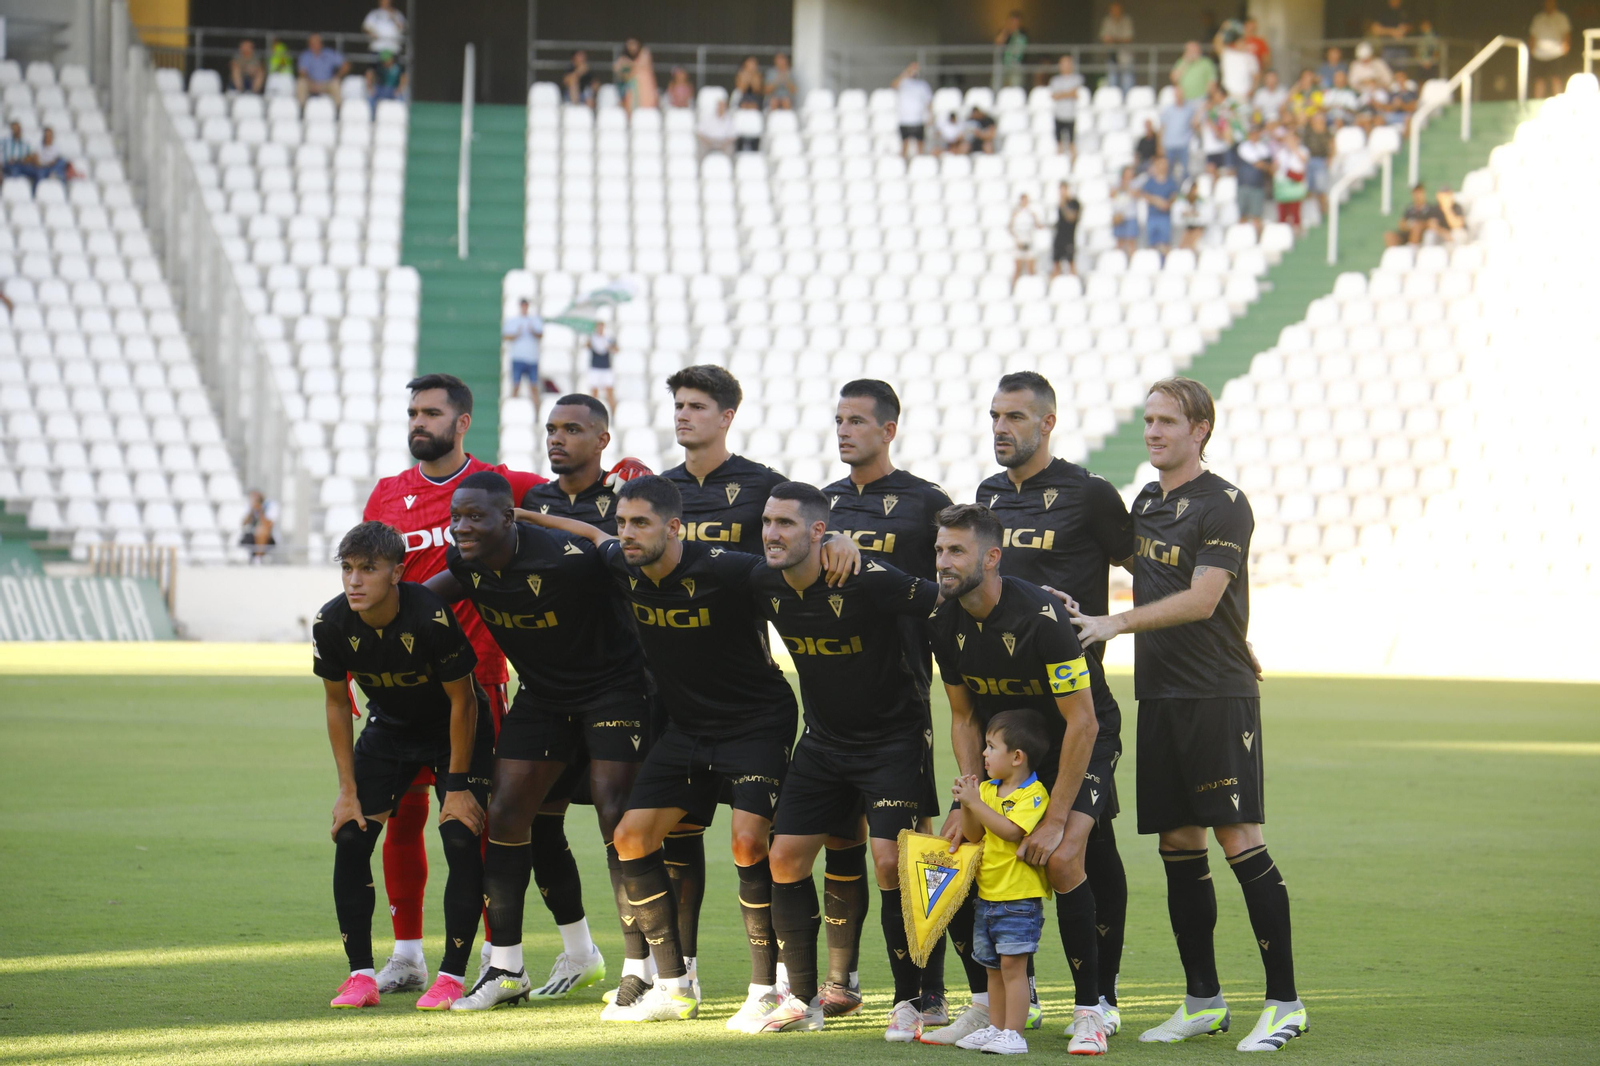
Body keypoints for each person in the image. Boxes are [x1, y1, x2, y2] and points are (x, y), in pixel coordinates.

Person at [516, 476, 854, 1026]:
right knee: (630, 837)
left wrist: (836, 539)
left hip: (756, 722)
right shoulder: (622, 562)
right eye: (622, 523)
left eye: (640, 523)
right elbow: (585, 531)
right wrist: (530, 519)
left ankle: (768, 989)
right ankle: (675, 986)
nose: (627, 534)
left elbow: (794, 563)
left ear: (674, 527)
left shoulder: (726, 568)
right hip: (689, 728)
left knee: (749, 845)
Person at [1063, 377, 1306, 1052]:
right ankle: (1203, 999)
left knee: (1238, 839)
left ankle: (1285, 1003)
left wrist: (1116, 622)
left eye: (1167, 420)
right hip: (1161, 696)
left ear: (1200, 428)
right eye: (1147, 420)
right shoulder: (1145, 500)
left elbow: (1202, 599)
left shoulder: (1224, 503)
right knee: (1178, 844)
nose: (1153, 432)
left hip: (1216, 694)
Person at [360, 375, 562, 997]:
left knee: (470, 821)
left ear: (462, 421)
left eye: (432, 412)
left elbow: (575, 492)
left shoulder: (504, 485)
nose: (419, 422)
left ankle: (488, 958)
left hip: (473, 686)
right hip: (398, 687)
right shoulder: (387, 495)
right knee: (400, 819)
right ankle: (406, 956)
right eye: (413, 412)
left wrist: (624, 473)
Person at [421, 471, 650, 1011]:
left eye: (475, 516)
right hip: (544, 696)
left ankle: (640, 969)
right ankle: (506, 969)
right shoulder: (464, 561)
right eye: (455, 517)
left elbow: (638, 589)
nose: (461, 527)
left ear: (508, 517)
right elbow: (422, 604)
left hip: (613, 689)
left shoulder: (569, 558)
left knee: (616, 817)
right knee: (505, 815)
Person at [976, 373, 1136, 1034]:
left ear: (1048, 423)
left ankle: (1098, 1001)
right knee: (1013, 850)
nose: (1001, 428)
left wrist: (1105, 617)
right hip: (1011, 719)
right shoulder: (986, 496)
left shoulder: (1090, 494)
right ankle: (1019, 999)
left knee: (1078, 851)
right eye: (993, 416)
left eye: (1014, 416)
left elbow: (1148, 566)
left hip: (1079, 710)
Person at [919, 504, 1106, 1055]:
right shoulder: (940, 620)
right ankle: (987, 1006)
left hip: (1078, 739)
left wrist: (1052, 820)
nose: (943, 562)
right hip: (1005, 752)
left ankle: (1091, 1012)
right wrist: (969, 797)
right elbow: (962, 717)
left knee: (1064, 855)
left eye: (956, 551)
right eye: (938, 550)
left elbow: (1084, 720)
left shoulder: (1041, 616)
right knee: (956, 852)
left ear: (992, 557)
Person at [758, 481, 942, 1037]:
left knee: (893, 862)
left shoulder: (871, 580)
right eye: (767, 522)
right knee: (785, 858)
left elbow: (950, 597)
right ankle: (805, 998)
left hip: (895, 740)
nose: (771, 533)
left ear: (817, 532)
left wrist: (1040, 599)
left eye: (785, 524)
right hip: (824, 742)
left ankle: (917, 999)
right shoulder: (760, 580)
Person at [655, 364, 791, 1011]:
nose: (684, 415)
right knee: (676, 834)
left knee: (750, 840)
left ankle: (776, 980)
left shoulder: (763, 487)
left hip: (746, 689)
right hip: (676, 697)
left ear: (727, 415)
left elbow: (801, 544)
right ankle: (678, 977)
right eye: (678, 405)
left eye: (697, 405)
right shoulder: (659, 491)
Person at [822, 379, 956, 1030]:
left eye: (856, 421)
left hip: (900, 697)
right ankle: (840, 981)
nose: (844, 430)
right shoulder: (822, 504)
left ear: (888, 430)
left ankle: (925, 988)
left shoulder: (925, 503)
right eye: (838, 420)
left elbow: (952, 583)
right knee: (833, 840)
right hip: (829, 698)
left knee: (902, 852)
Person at [316, 521, 493, 1011]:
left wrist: (456, 786)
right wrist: (347, 789)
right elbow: (336, 703)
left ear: (396, 572)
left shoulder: (430, 616)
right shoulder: (330, 623)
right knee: (351, 836)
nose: (354, 581)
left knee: (459, 835)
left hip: (454, 728)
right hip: (390, 729)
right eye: (348, 569)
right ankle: (360, 977)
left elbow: (464, 702)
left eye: (368, 570)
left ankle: (452, 976)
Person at [945, 713, 1055, 1055]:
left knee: (1012, 968)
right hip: (988, 897)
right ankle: (995, 1026)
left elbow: (1011, 831)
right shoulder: (988, 790)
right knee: (992, 967)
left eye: (991, 747)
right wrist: (968, 803)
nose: (984, 754)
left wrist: (976, 802)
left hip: (1019, 900)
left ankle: (1014, 1034)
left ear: (1017, 757)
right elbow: (976, 833)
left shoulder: (1033, 794)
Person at [502, 298, 544, 402]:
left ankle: (537, 414)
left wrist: (532, 331)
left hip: (532, 358)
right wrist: (517, 334)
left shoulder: (535, 320)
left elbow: (540, 335)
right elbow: (506, 337)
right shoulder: (513, 321)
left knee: (534, 386)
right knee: (516, 385)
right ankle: (512, 408)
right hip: (518, 357)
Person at [1529, 0, 1573, 98]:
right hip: (1539, 54)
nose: (1549, 4)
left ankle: (1558, 102)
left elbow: (1567, 34)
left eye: (1551, 2)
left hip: (1556, 53)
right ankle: (1537, 103)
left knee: (1556, 79)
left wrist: (1566, 47)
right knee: (1539, 80)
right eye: (1547, 2)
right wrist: (1532, 49)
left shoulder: (1561, 17)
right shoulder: (1538, 18)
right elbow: (1533, 35)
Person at [1195, 82, 1242, 173]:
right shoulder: (1214, 111)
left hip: (1228, 143)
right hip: (1219, 145)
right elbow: (1195, 124)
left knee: (1230, 169)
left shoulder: (1227, 107)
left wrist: (1211, 122)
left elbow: (1221, 130)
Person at [1234, 124, 1273, 234]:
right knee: (1243, 216)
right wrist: (1266, 166)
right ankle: (1241, 239)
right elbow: (1258, 163)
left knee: (1256, 216)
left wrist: (1265, 165)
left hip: (1257, 186)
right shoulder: (1244, 146)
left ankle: (1258, 240)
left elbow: (1266, 164)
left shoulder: (1263, 147)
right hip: (1244, 185)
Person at [1385, 182, 1447, 246]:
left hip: (1422, 235)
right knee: (1389, 235)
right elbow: (1402, 224)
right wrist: (1410, 225)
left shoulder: (1431, 209)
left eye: (1419, 193)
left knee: (1417, 228)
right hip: (1408, 232)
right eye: (1415, 193)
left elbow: (1433, 223)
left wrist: (1420, 224)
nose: (1417, 196)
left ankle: (1412, 249)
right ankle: (1393, 253)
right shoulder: (1409, 209)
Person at [297, 34, 350, 107]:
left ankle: (339, 111)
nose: (314, 45)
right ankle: (301, 110)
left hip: (327, 83)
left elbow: (345, 65)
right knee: (301, 82)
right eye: (312, 43)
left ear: (321, 43)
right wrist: (311, 83)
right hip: (311, 83)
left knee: (335, 83)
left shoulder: (329, 53)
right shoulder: (305, 56)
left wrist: (337, 76)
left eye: (316, 42)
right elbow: (302, 72)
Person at [1141, 155, 1180, 253]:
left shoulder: (1171, 182)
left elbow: (1174, 196)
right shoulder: (1150, 181)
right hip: (1152, 216)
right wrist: (1157, 201)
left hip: (1164, 217)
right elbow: (1145, 194)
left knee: (1164, 245)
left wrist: (1167, 203)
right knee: (1152, 245)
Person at [894, 61, 933, 158]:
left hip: (918, 119)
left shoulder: (923, 85)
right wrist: (907, 71)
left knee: (920, 145)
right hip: (905, 119)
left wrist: (930, 116)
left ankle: (920, 164)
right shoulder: (903, 83)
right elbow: (893, 85)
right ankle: (902, 166)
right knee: (904, 145)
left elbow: (928, 102)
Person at [1272, 129, 1308, 233]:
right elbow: (1276, 167)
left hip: (1295, 181)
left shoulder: (1302, 150)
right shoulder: (1281, 153)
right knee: (1283, 212)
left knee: (1295, 211)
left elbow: (1304, 160)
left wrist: (1294, 149)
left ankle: (1297, 231)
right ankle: (1284, 234)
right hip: (1283, 183)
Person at [1049, 55, 1084, 155]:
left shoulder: (1076, 78)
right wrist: (1068, 93)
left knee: (1072, 144)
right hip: (1059, 115)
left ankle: (1074, 167)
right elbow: (1054, 96)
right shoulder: (1055, 80)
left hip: (1070, 116)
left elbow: (1074, 93)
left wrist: (1061, 94)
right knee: (1059, 144)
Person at [1160, 87, 1196, 180]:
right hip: (1170, 145)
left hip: (1183, 144)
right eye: (1177, 94)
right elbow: (1162, 127)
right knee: (1168, 171)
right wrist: (1160, 145)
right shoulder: (1168, 110)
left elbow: (1194, 124)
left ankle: (1184, 191)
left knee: (1185, 171)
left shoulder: (1189, 109)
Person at [614, 38, 658, 113]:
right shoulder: (624, 58)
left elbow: (640, 65)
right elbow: (617, 68)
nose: (631, 47)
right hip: (631, 92)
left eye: (633, 44)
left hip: (645, 90)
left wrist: (627, 63)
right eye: (629, 44)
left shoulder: (644, 53)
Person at [1302, 111, 1333, 218]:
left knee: (1321, 189)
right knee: (1308, 189)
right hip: (1308, 161)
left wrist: (1330, 158)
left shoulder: (1326, 132)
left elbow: (1331, 145)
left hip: (1320, 161)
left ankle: (1325, 211)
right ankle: (1312, 215)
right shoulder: (1308, 131)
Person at [1099, 2, 1136, 91]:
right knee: (1112, 81)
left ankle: (1126, 103)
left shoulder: (1126, 20)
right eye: (1113, 10)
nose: (1115, 12)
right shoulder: (1107, 21)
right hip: (1112, 55)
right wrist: (1119, 39)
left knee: (1127, 81)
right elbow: (1104, 38)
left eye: (1117, 10)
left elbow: (1128, 38)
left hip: (1125, 56)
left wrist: (1114, 39)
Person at [1009, 193, 1042, 290]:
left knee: (1031, 269)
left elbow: (1038, 226)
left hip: (1029, 243)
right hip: (1019, 243)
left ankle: (1034, 289)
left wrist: (1036, 219)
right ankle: (1013, 290)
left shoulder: (1031, 214)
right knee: (1017, 269)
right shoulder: (1016, 214)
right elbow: (1011, 228)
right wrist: (1017, 241)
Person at [1370, 0, 1413, 68]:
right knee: (1387, 73)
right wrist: (1392, 32)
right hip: (1388, 48)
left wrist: (1405, 29)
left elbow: (1412, 26)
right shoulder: (1383, 12)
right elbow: (1375, 29)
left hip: (1402, 47)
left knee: (1401, 74)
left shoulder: (1404, 11)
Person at [1219, 31, 1260, 99]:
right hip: (1228, 94)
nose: (1241, 44)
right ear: (1235, 43)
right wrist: (1224, 29)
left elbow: (1256, 76)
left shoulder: (1250, 57)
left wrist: (1253, 90)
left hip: (1244, 94)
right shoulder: (1228, 54)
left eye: (1243, 42)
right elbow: (1217, 43)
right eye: (1239, 42)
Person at [1051, 182, 1081, 278]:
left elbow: (1071, 218)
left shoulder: (1074, 203)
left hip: (1069, 238)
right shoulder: (1059, 204)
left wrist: (1064, 205)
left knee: (1071, 263)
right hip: (1059, 237)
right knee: (1056, 264)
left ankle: (1076, 285)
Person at [239, 489, 277, 561]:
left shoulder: (270, 506)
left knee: (261, 530)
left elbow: (268, 524)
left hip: (268, 537)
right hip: (251, 535)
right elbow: (244, 523)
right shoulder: (250, 506)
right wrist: (252, 511)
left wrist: (260, 511)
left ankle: (258, 558)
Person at [995, 11, 1030, 88]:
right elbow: (998, 42)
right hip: (1004, 64)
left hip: (1017, 64)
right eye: (1012, 22)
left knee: (1015, 86)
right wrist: (1006, 31)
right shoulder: (1005, 32)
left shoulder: (1022, 33)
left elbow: (1022, 48)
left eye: (1016, 22)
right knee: (1000, 85)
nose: (1014, 25)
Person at [586, 323, 616, 410]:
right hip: (595, 368)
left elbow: (616, 349)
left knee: (609, 391)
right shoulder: (592, 338)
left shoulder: (608, 339)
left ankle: (613, 414)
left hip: (606, 368)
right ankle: (594, 412)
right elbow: (586, 346)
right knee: (594, 392)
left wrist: (610, 347)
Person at [366, 51, 406, 116]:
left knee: (400, 99)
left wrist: (400, 89)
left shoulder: (398, 67)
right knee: (370, 98)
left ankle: (400, 117)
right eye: (383, 60)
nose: (385, 62)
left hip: (393, 90)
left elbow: (404, 77)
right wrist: (370, 87)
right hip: (380, 89)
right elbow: (370, 74)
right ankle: (372, 117)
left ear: (391, 59)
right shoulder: (379, 66)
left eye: (386, 60)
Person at [1111, 166, 1140, 256]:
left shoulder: (1135, 183)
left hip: (1130, 216)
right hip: (1119, 216)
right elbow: (1112, 194)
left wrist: (1126, 187)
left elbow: (1136, 194)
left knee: (1131, 242)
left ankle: (1133, 262)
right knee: (1119, 242)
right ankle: (1118, 261)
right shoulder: (1117, 184)